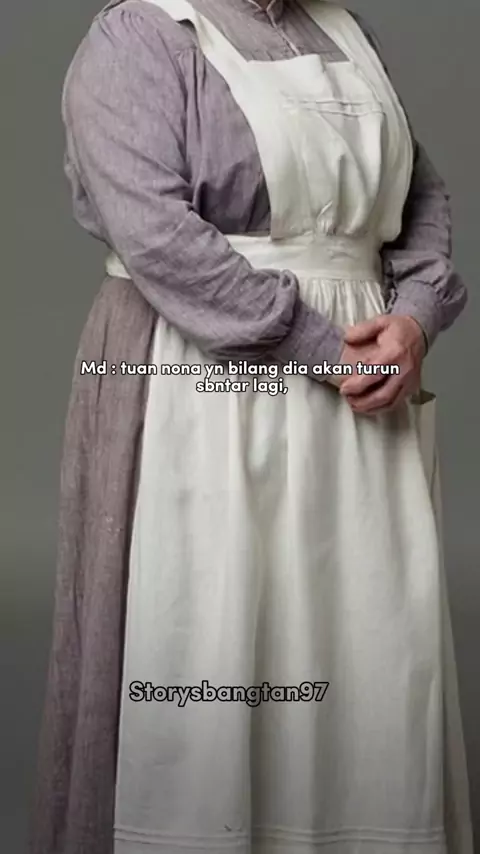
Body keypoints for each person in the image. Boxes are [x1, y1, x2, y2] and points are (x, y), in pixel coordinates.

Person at [30, 1, 474, 853]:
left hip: (362, 395)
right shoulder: (139, 37)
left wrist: (416, 316)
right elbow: (157, 237)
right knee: (212, 632)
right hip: (206, 386)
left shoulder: (344, 31)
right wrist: (322, 347)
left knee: (362, 647)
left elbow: (419, 193)